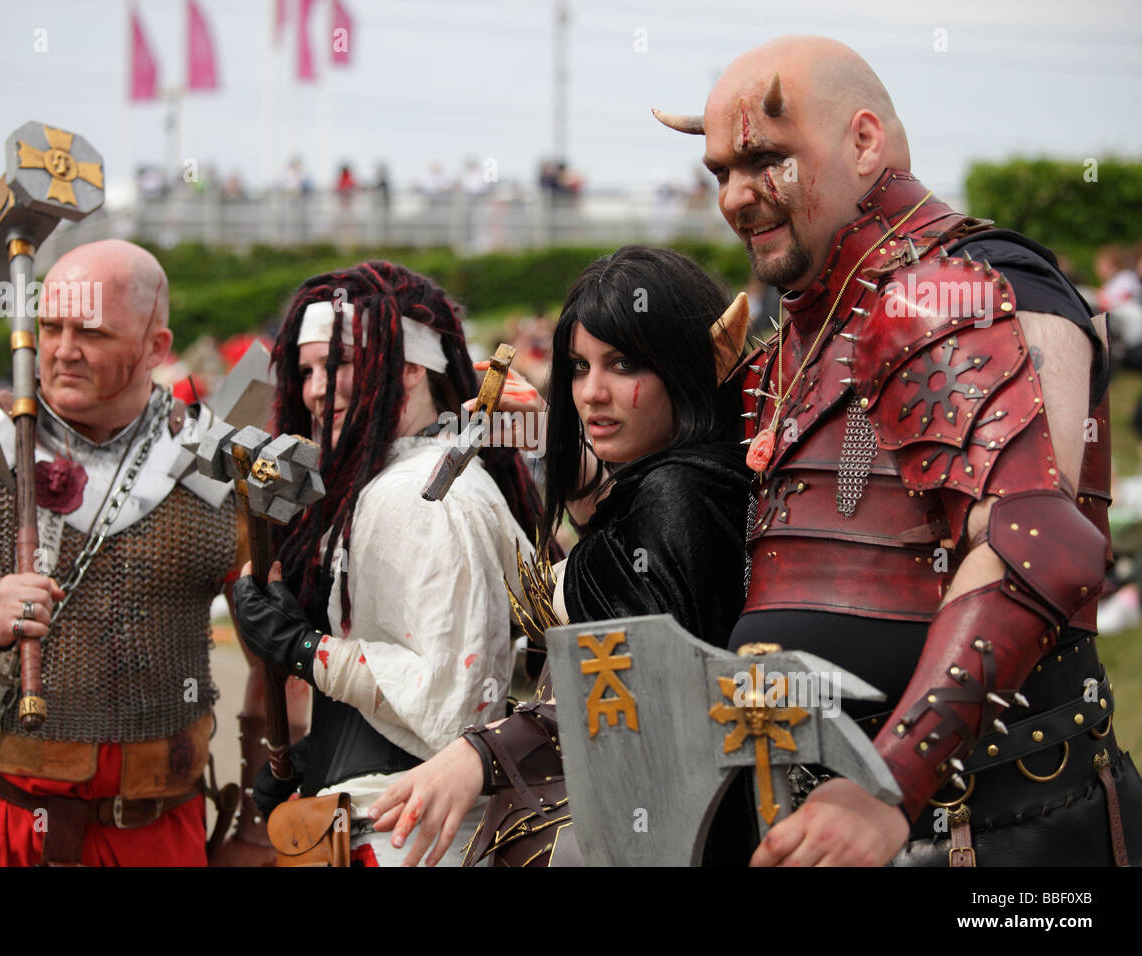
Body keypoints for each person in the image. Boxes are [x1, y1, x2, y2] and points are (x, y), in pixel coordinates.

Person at [653, 34, 1139, 865]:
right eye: (720, 172)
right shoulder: (789, 345)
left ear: (864, 142)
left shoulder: (976, 284)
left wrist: (889, 781)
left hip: (993, 837)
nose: (735, 197)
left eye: (764, 159)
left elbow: (1038, 543)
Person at [0, 239, 243, 866]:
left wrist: (258, 818)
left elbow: (274, 654)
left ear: (156, 348)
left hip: (158, 833)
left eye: (90, 331)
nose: (61, 350)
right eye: (49, 326)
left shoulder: (212, 466)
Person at [368, 245, 754, 866]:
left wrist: (483, 753)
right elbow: (627, 557)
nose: (592, 393)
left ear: (691, 363)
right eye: (578, 366)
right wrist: (570, 463)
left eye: (623, 363)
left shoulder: (681, 488)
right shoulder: (676, 478)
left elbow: (643, 673)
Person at [231, 260, 545, 866]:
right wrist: (317, 754)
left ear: (407, 368)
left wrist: (301, 649)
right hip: (379, 828)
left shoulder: (425, 496)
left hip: (411, 843)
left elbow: (454, 705)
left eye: (340, 363)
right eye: (306, 371)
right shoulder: (391, 482)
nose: (318, 388)